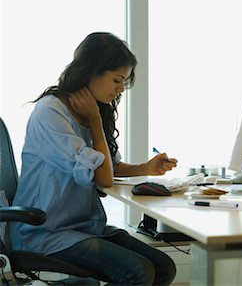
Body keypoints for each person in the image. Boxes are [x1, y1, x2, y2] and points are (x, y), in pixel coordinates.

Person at [11, 32, 178, 285]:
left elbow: (108, 166)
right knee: (138, 271)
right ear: (91, 73)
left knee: (163, 267)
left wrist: (146, 168)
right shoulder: (51, 112)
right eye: (116, 80)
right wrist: (96, 122)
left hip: (82, 227)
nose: (121, 88)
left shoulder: (93, 108)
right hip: (45, 233)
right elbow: (104, 176)